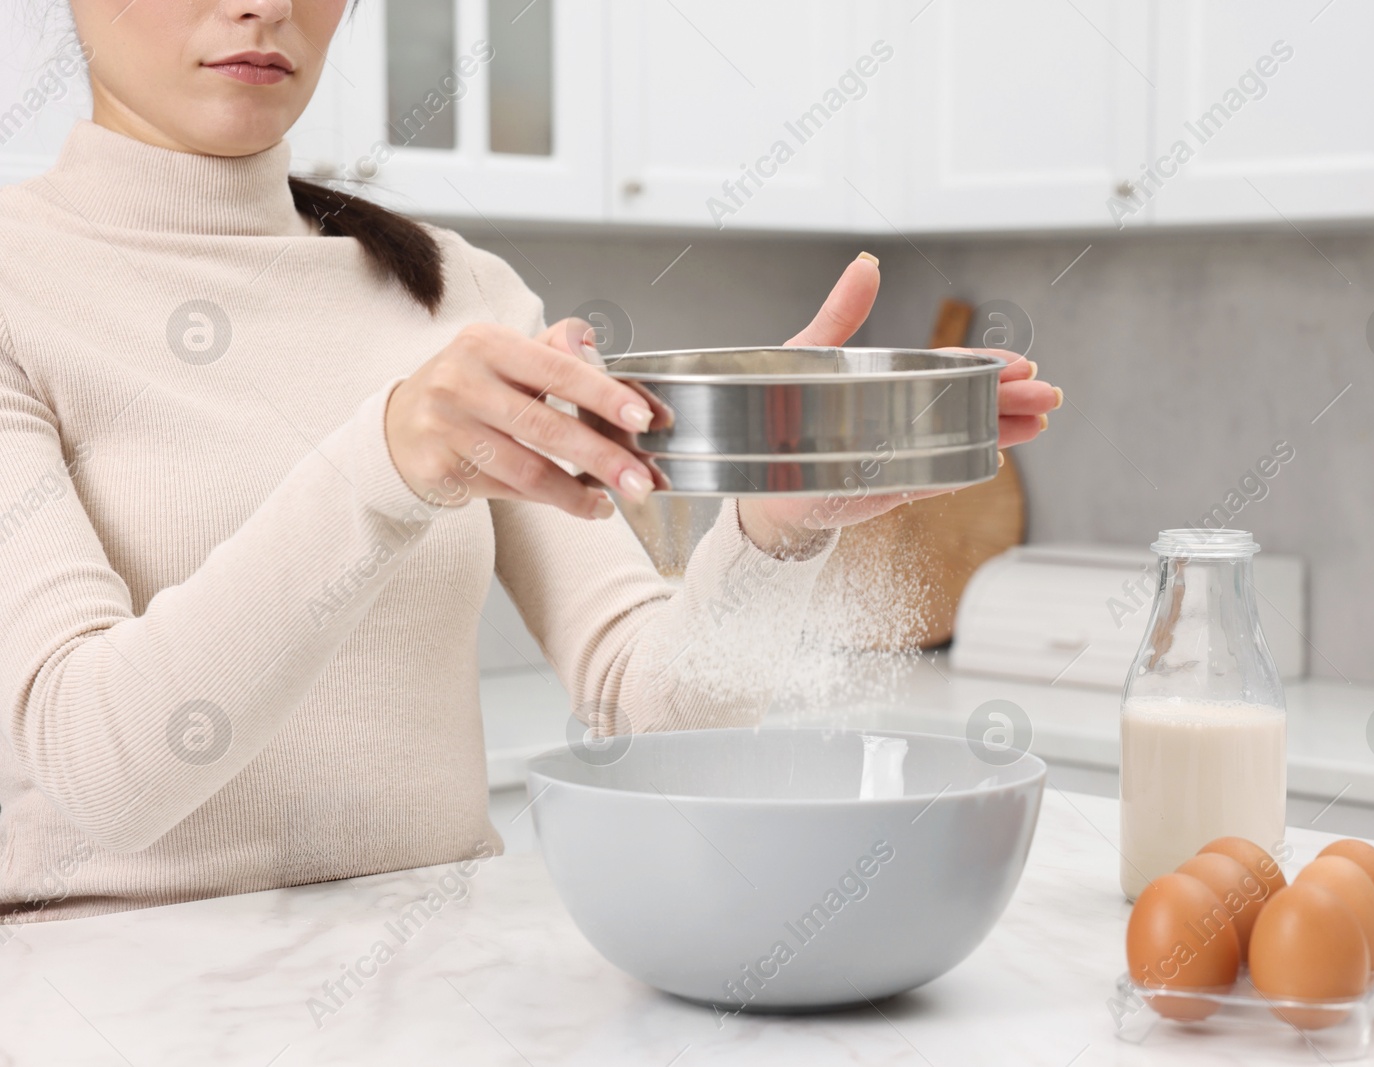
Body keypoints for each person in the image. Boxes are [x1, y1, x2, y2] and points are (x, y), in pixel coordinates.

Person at [0, 0, 1060, 921]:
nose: (263, 4)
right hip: (115, 993)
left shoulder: (453, 289)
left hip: (430, 984)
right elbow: (99, 773)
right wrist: (385, 462)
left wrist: (777, 527)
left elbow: (647, 712)